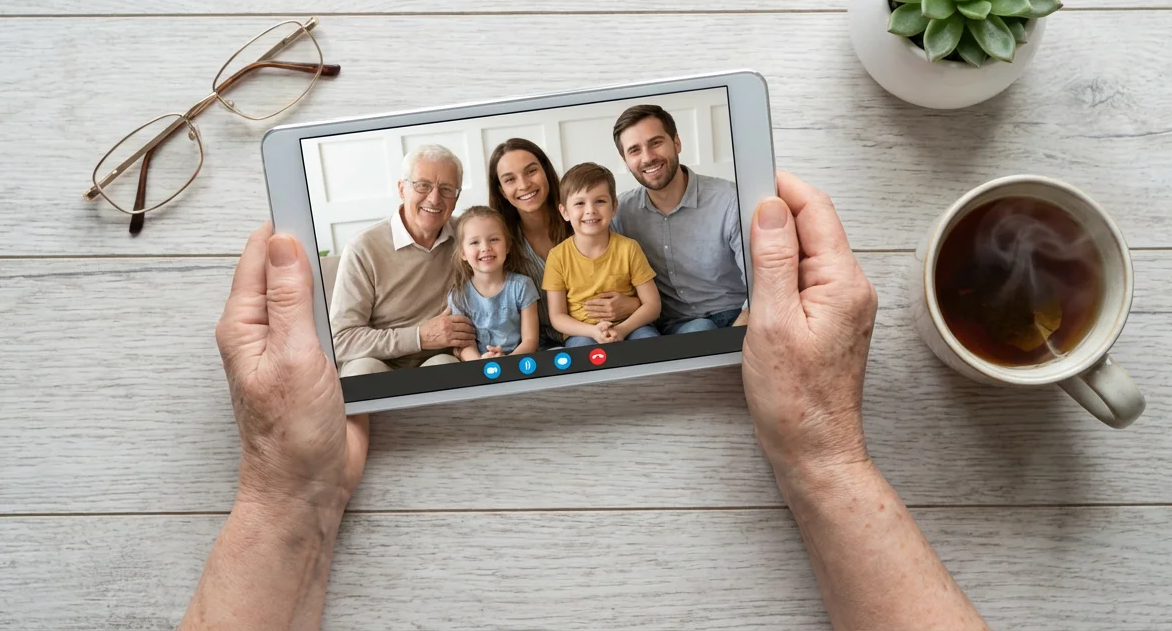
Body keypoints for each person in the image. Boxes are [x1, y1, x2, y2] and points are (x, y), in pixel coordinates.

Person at [193, 171, 988, 630]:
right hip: (511, 349)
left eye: (489, 239)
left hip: (614, 333)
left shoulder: (577, 260)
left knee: (647, 340)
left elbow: (556, 323)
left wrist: (285, 493)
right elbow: (486, 332)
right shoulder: (455, 275)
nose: (479, 248)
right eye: (470, 240)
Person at [328, 144, 477, 376]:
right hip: (376, 360)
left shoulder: (468, 237)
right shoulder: (363, 248)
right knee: (363, 373)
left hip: (441, 357)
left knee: (445, 368)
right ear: (401, 189)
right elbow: (341, 340)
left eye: (447, 189)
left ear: (456, 197)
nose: (435, 198)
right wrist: (419, 337)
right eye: (422, 185)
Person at [610, 104, 750, 334]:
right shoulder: (621, 213)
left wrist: (735, 339)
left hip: (738, 315)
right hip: (675, 328)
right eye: (634, 150)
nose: (647, 157)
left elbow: (762, 284)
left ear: (676, 143)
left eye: (655, 143)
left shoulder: (729, 199)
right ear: (625, 161)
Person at [541, 163, 662, 346]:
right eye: (580, 203)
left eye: (600, 201)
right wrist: (592, 331)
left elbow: (653, 306)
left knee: (649, 343)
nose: (590, 210)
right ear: (565, 212)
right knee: (582, 352)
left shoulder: (629, 248)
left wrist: (622, 329)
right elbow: (557, 317)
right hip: (582, 333)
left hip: (631, 327)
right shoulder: (557, 257)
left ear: (614, 207)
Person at [487, 138, 572, 346]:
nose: (524, 185)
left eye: (531, 171)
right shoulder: (499, 245)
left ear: (545, 171)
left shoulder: (582, 219)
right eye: (510, 180)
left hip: (594, 333)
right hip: (536, 348)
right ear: (501, 192)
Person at [446, 206, 541, 360]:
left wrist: (506, 362)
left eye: (494, 239)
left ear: (507, 245)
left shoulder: (522, 286)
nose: (485, 248)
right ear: (463, 253)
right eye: (475, 242)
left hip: (520, 362)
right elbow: (465, 345)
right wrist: (481, 363)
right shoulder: (459, 295)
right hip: (479, 366)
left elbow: (530, 341)